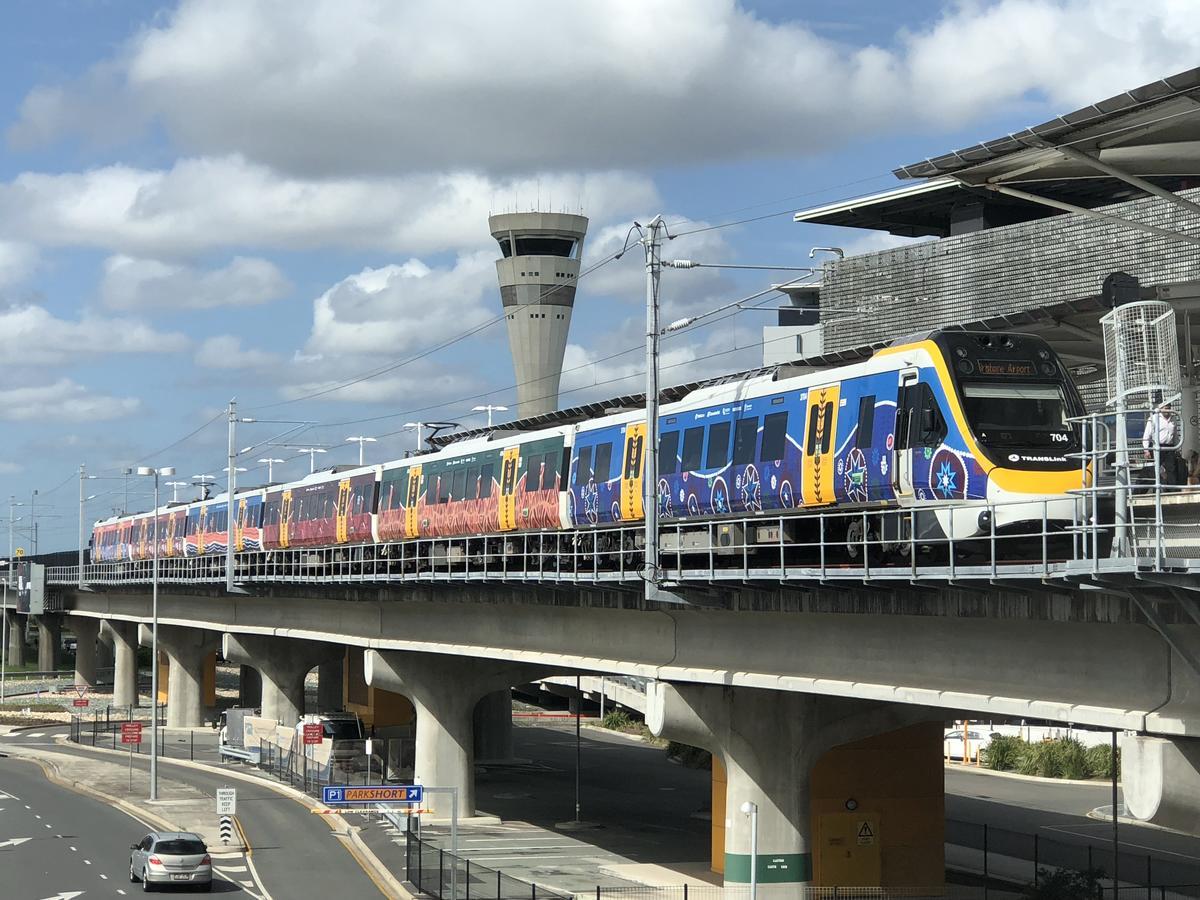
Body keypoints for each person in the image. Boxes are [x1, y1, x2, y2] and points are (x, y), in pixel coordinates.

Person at [1143, 403, 1183, 485]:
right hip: (1157, 446)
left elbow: (1174, 435)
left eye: (1169, 408)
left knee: (1171, 468)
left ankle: (1172, 490)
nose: (1167, 410)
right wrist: (1146, 449)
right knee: (1155, 468)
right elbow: (1147, 434)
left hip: (1169, 446)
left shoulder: (1173, 418)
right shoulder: (1153, 418)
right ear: (1161, 408)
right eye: (1165, 408)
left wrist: (1177, 448)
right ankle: (1156, 489)